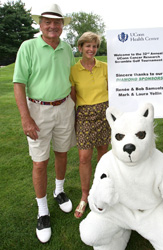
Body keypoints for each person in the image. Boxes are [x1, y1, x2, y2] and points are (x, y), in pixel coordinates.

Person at [13, 3, 76, 243]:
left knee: (62, 153)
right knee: (40, 162)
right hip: (37, 111)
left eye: (57, 22)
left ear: (62, 26)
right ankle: (42, 210)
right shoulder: (28, 47)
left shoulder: (67, 48)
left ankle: (59, 191)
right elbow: (19, 84)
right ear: (40, 25)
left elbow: (71, 80)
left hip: (64, 108)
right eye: (47, 22)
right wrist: (25, 117)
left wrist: (75, 109)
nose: (52, 26)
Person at [70, 32, 110, 219]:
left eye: (94, 46)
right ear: (80, 48)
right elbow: (72, 95)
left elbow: (113, 89)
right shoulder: (73, 70)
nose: (91, 49)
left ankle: (101, 191)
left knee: (103, 155)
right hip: (85, 114)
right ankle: (85, 195)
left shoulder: (105, 67)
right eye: (88, 46)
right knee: (84, 157)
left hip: (104, 113)